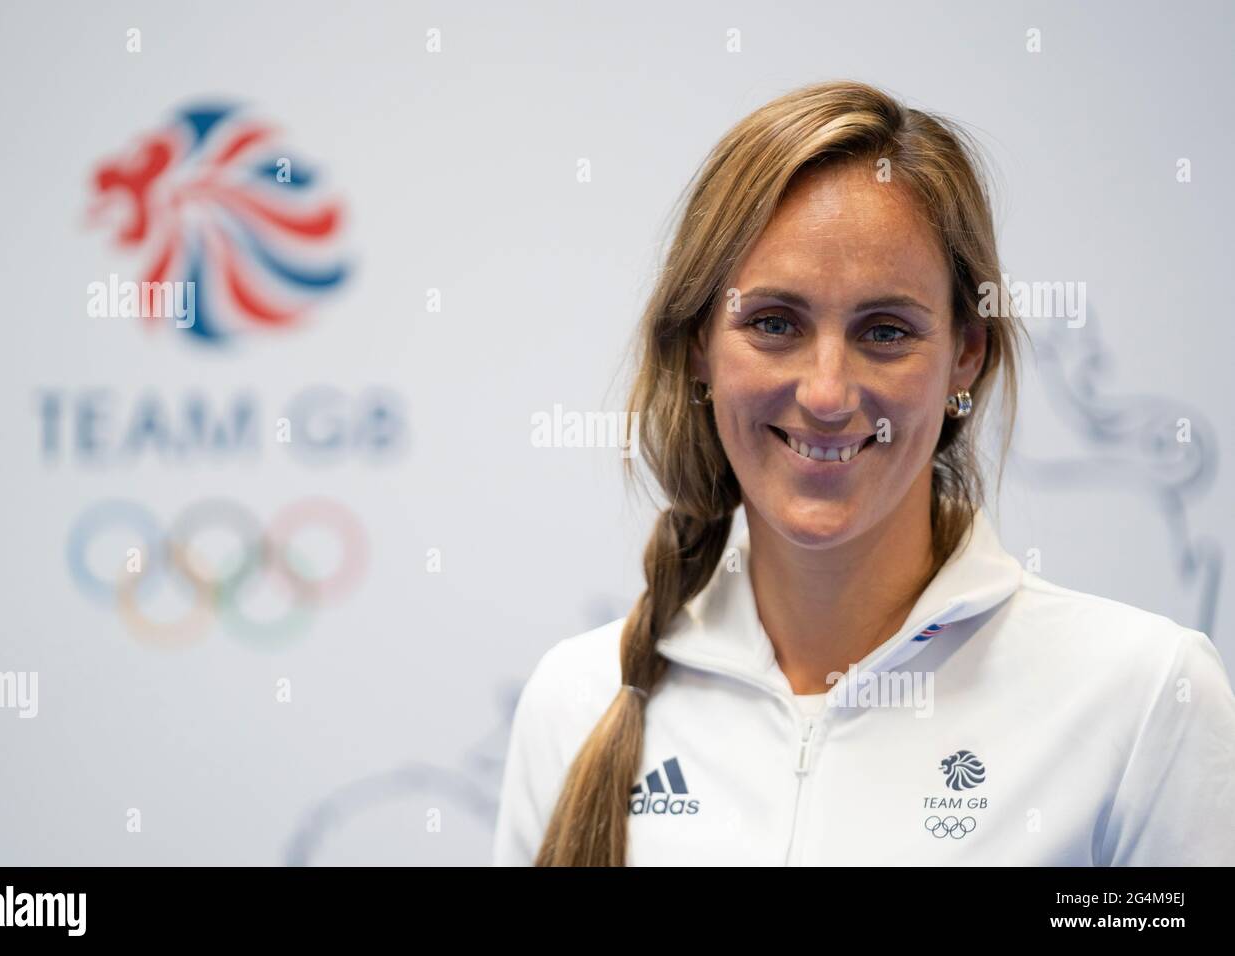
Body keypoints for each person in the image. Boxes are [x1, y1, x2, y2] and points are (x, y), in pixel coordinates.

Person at [492, 80, 1235, 866]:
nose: (825, 394)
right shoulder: (576, 699)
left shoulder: (1144, 696)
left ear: (966, 355)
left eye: (885, 331)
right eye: (774, 324)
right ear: (699, 345)